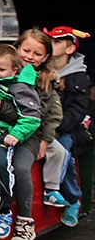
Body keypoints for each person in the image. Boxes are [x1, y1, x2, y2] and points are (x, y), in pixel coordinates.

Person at [0, 28, 63, 240]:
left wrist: (45, 139)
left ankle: (25, 221)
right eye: (26, 50)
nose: (29, 57)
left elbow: (42, 115)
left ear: (45, 58)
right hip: (3, 131)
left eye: (36, 53)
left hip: (30, 135)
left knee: (20, 167)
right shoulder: (2, 70)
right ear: (17, 47)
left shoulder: (44, 81)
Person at [0, 44, 41, 240]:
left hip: (0, 137)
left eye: (1, 70)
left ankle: (6, 210)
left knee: (5, 166)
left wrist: (15, 134)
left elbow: (31, 117)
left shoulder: (19, 89)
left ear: (14, 70)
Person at [44, 26, 92, 226]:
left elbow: (78, 110)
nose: (51, 45)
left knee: (63, 150)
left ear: (70, 49)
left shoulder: (78, 76)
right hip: (43, 125)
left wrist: (56, 126)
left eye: (56, 42)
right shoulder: (41, 69)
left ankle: (73, 198)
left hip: (70, 128)